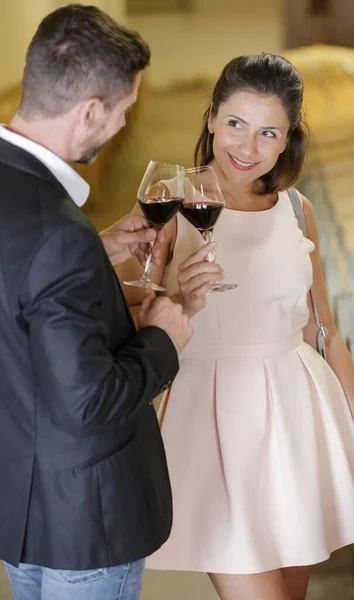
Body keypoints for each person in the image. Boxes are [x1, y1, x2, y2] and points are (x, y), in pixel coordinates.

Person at [119, 53, 354, 600]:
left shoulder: (298, 210)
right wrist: (179, 299)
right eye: (235, 125)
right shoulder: (168, 207)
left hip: (298, 423)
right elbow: (130, 318)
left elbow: (326, 333)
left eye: (267, 132)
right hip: (213, 423)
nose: (246, 148)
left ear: (287, 137)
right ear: (210, 120)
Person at [0, 4, 194, 600]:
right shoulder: (58, 232)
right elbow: (90, 402)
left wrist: (94, 248)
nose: (123, 126)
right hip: (84, 524)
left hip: (19, 511)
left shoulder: (31, 208)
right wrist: (164, 337)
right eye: (124, 111)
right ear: (90, 111)